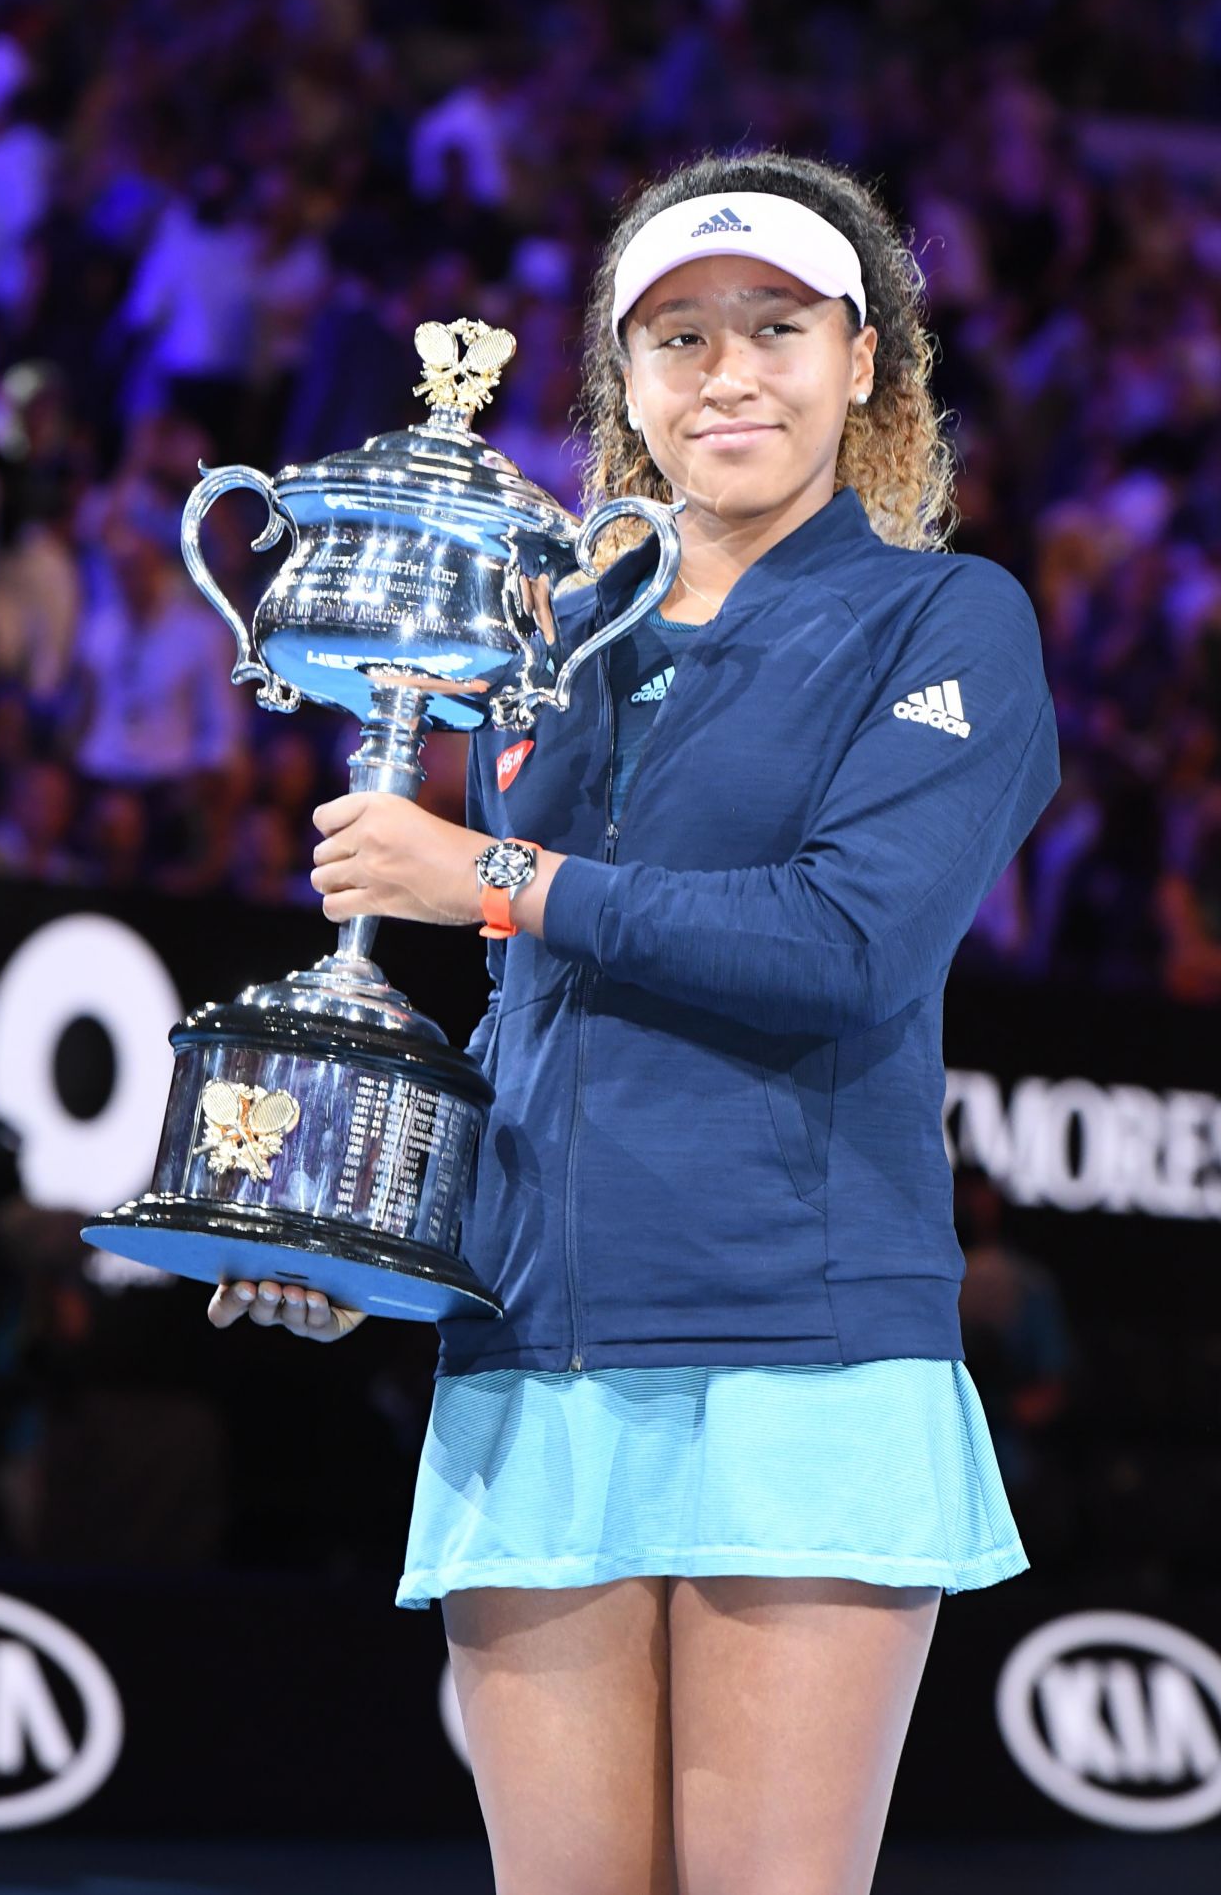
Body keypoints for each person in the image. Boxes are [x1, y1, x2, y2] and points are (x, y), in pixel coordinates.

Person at [208, 150, 1060, 1895]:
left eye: (774, 327)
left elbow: (845, 944)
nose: (727, 370)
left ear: (865, 363)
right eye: (677, 338)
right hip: (534, 1354)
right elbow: (531, 1019)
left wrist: (498, 874)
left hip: (799, 1351)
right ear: (624, 385)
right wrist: (348, 1219)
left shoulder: (946, 615)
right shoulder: (551, 639)